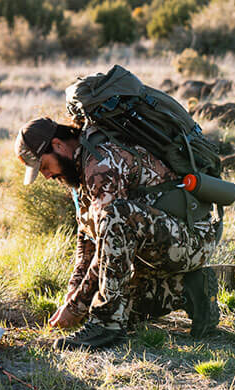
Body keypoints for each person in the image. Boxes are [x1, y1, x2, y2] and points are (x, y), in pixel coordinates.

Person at [15, 117, 221, 350]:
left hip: (192, 239)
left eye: (44, 167)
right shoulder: (81, 165)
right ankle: (187, 290)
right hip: (165, 242)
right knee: (107, 302)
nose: (47, 176)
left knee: (114, 216)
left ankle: (106, 324)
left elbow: (109, 233)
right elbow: (87, 239)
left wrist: (76, 307)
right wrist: (72, 297)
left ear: (58, 145)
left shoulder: (101, 163)